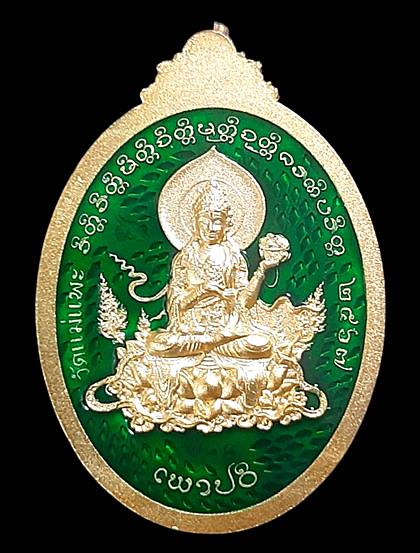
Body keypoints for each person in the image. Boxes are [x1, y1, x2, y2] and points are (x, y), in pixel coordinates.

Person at [146, 179, 280, 359]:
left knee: (260, 345)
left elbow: (244, 303)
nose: (211, 228)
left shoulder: (234, 258)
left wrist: (262, 269)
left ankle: (209, 344)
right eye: (204, 221)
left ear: (227, 225)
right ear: (195, 222)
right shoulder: (186, 257)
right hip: (192, 331)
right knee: (159, 344)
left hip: (226, 329)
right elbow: (177, 303)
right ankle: (211, 343)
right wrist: (202, 290)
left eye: (217, 221)